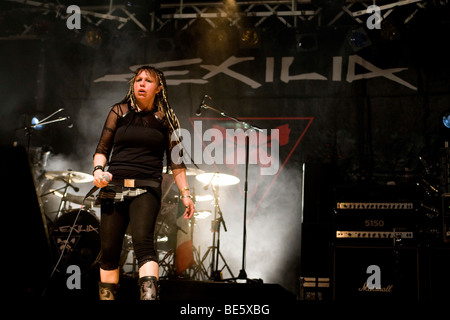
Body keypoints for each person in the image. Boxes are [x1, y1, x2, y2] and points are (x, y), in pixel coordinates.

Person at [92, 65, 195, 300]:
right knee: (108, 251)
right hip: (114, 186)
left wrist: (186, 195)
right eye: (138, 79)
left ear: (158, 89)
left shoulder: (166, 118)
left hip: (146, 187)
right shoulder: (118, 111)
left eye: (148, 81)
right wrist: (98, 170)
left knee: (143, 243)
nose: (141, 83)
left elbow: (176, 163)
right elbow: (102, 149)